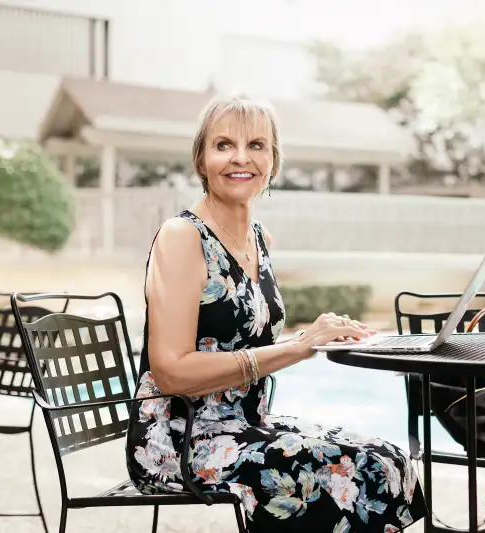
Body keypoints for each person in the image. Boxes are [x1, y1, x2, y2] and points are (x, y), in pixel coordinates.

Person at [126, 93, 426, 532]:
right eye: (223, 145)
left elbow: (248, 331)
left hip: (247, 423)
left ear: (273, 161)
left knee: (392, 460)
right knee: (353, 470)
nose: (240, 158)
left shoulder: (259, 237)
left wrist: (320, 332)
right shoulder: (182, 236)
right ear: (201, 159)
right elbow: (170, 373)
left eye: (257, 146)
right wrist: (297, 349)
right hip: (183, 440)